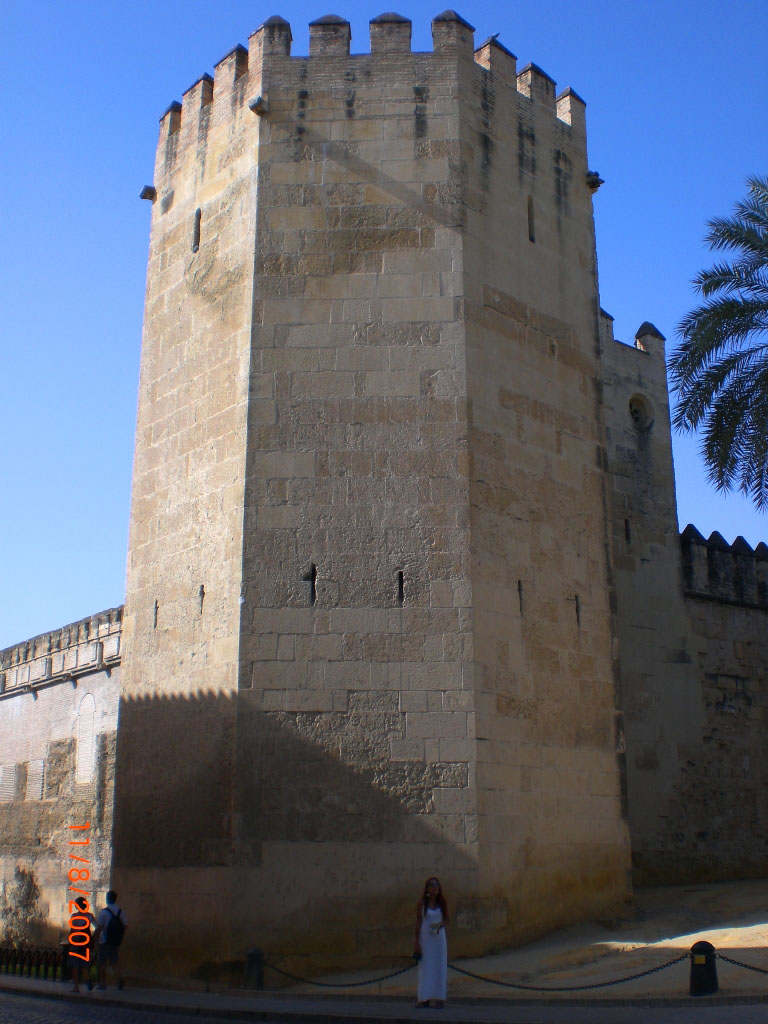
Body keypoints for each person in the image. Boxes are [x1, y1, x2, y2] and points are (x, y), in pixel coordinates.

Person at [413, 876, 448, 1008]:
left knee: (439, 967)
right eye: (432, 885)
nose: (435, 888)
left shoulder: (442, 903)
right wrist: (416, 942)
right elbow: (419, 922)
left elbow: (446, 919)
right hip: (426, 939)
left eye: (437, 885)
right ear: (427, 888)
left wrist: (440, 925)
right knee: (425, 968)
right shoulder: (422, 904)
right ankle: (424, 998)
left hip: (438, 939)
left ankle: (440, 998)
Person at [93, 890, 127, 990]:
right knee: (114, 961)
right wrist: (119, 934)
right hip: (116, 940)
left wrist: (94, 939)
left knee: (102, 962)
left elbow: (99, 928)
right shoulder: (121, 912)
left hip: (105, 941)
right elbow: (126, 925)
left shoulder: (104, 912)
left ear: (107, 899)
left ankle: (103, 983)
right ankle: (119, 979)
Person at [69, 896, 95, 992]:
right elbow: (97, 926)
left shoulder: (74, 916)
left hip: (76, 942)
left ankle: (76, 986)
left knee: (75, 965)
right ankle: (87, 980)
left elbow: (72, 930)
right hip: (86, 943)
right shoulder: (89, 916)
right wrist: (93, 939)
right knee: (84, 963)